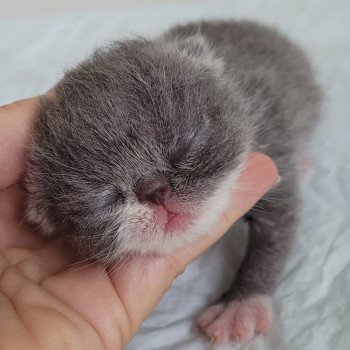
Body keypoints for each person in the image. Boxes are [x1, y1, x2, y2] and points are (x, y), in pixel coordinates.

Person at [0, 96, 278, 349]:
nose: (158, 193)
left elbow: (280, 213)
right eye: (101, 197)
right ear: (48, 219)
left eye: (184, 144)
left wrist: (252, 290)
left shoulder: (241, 121)